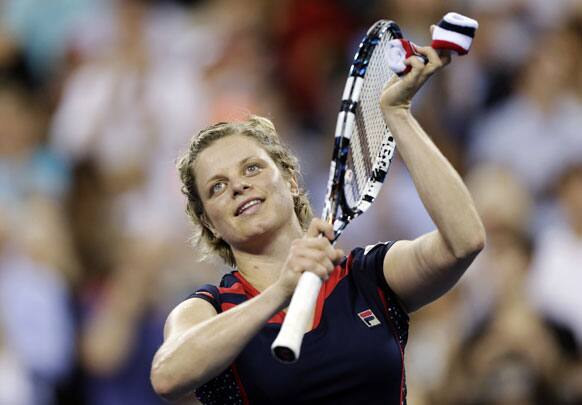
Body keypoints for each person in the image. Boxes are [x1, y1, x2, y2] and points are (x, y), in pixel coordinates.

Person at [150, 44, 485, 404]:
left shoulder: (367, 276)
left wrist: (398, 113)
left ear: (291, 180)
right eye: (217, 187)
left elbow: (463, 242)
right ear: (209, 223)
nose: (237, 186)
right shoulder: (209, 309)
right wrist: (282, 290)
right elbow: (168, 376)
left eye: (252, 168)